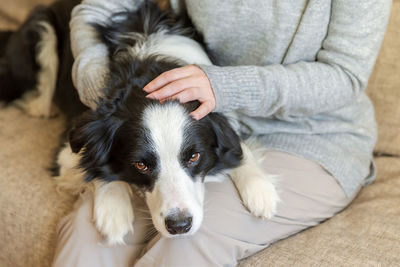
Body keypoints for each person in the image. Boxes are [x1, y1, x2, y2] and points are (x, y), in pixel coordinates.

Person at [52, 0, 392, 266]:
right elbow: (97, 9)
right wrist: (114, 98)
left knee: (189, 244)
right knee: (90, 233)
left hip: (315, 135)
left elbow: (344, 75)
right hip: (178, 121)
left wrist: (223, 87)